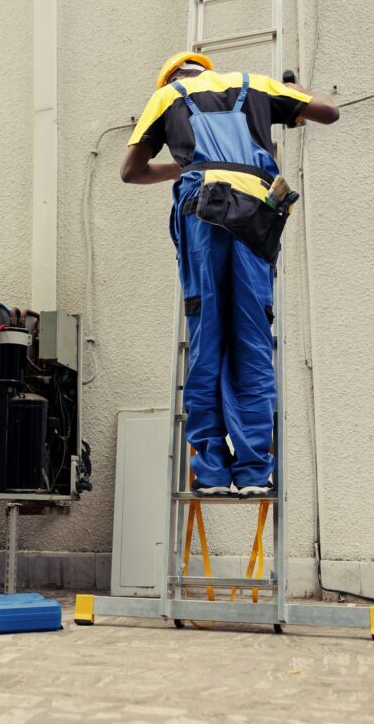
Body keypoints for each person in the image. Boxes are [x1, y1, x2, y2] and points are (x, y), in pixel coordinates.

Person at [122, 53, 339, 498]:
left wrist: (184, 166)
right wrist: (295, 93)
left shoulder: (166, 96)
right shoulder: (255, 84)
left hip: (201, 210)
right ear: (209, 70)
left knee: (207, 337)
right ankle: (256, 471)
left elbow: (131, 171)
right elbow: (329, 112)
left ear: (171, 77)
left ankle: (213, 472)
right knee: (251, 338)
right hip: (253, 215)